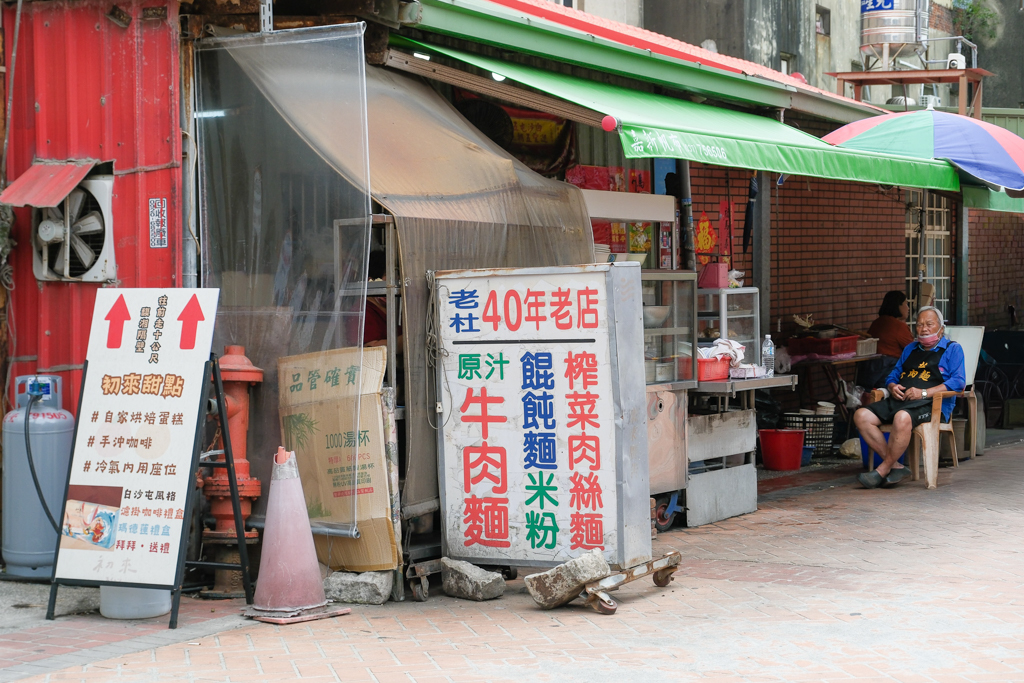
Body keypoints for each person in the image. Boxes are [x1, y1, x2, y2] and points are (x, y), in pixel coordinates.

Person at [853, 306, 966, 488]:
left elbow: (959, 382)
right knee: (861, 416)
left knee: (902, 417)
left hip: (931, 405)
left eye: (929, 324)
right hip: (901, 400)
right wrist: (892, 386)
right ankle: (896, 466)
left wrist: (923, 393)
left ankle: (882, 470)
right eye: (920, 325)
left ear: (941, 328)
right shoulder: (910, 349)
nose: (924, 328)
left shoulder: (952, 349)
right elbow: (893, 375)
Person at [859, 290, 915, 390]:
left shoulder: (877, 322)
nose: (908, 308)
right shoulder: (898, 326)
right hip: (886, 372)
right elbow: (913, 350)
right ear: (897, 306)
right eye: (906, 304)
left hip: (867, 370)